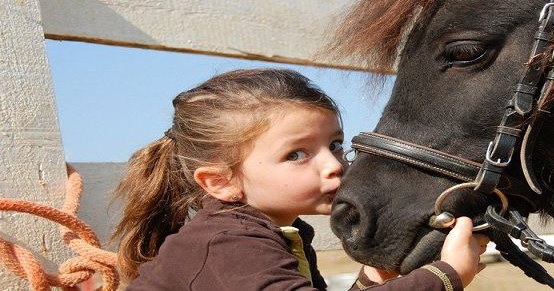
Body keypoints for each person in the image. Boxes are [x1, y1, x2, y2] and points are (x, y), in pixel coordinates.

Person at [111, 68, 489, 290]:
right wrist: (445, 275)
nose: (335, 165)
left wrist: (373, 279)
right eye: (296, 154)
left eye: (336, 144)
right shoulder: (228, 243)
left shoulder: (269, 232)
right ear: (220, 182)